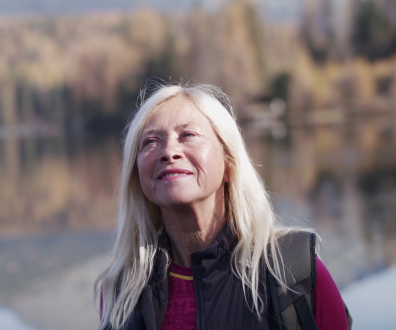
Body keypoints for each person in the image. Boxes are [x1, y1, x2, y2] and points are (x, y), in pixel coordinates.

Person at [94, 83, 350, 329]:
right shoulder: (122, 293)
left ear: (228, 163)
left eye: (188, 135)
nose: (169, 151)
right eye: (150, 141)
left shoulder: (294, 271)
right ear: (137, 174)